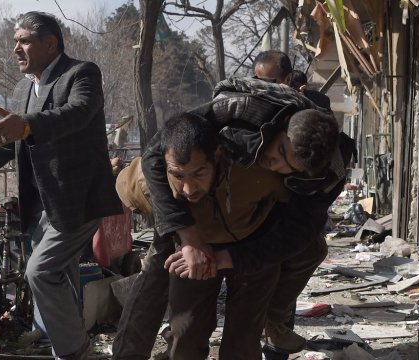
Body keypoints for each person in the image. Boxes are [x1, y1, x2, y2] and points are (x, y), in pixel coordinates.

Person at [0, 11, 121, 359]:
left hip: (77, 200)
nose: (16, 49)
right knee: (60, 281)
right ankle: (66, 348)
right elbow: (9, 144)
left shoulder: (81, 73)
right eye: (15, 43)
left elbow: (77, 114)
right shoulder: (23, 88)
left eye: (24, 41)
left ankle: (76, 353)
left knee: (40, 272)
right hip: (39, 206)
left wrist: (25, 125)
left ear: (50, 44)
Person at [117, 113, 290, 359]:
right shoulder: (154, 185)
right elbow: (127, 185)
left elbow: (296, 226)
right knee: (183, 333)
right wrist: (185, 236)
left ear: (217, 155)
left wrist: (246, 256)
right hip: (192, 254)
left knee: (243, 338)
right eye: (178, 176)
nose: (188, 189)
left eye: (198, 173)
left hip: (253, 246)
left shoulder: (258, 169)